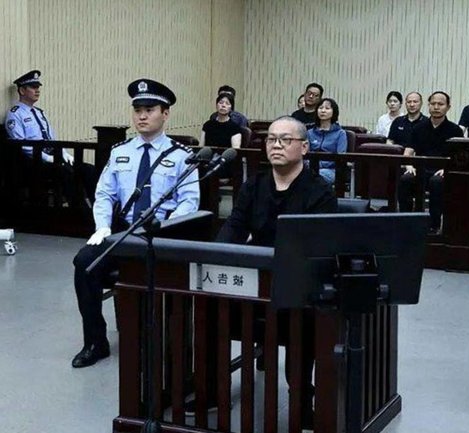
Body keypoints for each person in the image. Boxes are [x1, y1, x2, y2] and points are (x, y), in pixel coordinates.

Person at [216, 116, 336, 428]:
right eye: (271, 139)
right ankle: (211, 389)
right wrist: (217, 255)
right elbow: (234, 227)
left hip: (296, 287)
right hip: (255, 281)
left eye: (285, 139)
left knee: (304, 318)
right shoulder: (254, 185)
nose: (276, 145)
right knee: (209, 305)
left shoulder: (320, 191)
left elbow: (317, 247)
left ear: (304, 147)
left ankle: (301, 398)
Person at [70, 79, 200, 368]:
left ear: (165, 114)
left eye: (149, 110)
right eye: (138, 110)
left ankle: (165, 344)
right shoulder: (120, 152)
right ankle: (95, 342)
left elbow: (189, 202)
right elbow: (104, 194)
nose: (142, 116)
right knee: (84, 264)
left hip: (160, 234)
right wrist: (102, 226)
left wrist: (167, 230)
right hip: (124, 232)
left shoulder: (181, 156)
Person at [5, 70, 97, 204]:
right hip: (34, 161)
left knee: (88, 169)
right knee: (65, 172)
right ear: (22, 90)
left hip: (52, 155)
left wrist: (64, 154)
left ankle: (97, 207)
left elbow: (52, 138)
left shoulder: (39, 113)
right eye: (33, 87)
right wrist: (47, 158)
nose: (37, 90)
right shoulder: (15, 114)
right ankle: (78, 209)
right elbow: (22, 145)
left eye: (38, 87)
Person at [398, 91, 463, 232]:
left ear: (448, 107)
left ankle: (434, 225)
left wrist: (447, 169)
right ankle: (405, 222)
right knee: (405, 179)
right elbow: (408, 152)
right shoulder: (418, 128)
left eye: (440, 104)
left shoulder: (455, 130)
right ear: (428, 105)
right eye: (433, 104)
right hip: (420, 169)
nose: (436, 107)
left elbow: (458, 158)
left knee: (436, 182)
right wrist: (409, 165)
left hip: (442, 172)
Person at [306, 98, 347, 184]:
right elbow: (305, 154)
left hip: (331, 170)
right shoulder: (309, 133)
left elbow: (341, 157)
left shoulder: (340, 133)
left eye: (327, 108)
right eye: (320, 108)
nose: (323, 111)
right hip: (311, 168)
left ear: (334, 112)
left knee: (315, 176)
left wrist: (319, 165)